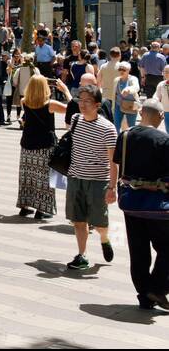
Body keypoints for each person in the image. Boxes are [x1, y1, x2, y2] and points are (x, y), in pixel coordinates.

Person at [118, 99, 169, 310]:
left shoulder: (126, 135)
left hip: (131, 203)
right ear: (159, 116)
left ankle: (145, 296)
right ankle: (156, 288)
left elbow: (119, 166)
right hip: (158, 207)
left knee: (138, 252)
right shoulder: (164, 140)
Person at [63, 85, 118, 271]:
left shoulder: (108, 129)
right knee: (78, 220)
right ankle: (82, 255)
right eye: (80, 100)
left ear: (97, 105)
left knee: (99, 223)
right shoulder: (75, 119)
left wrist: (112, 187)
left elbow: (113, 162)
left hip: (98, 181)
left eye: (87, 101)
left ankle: (104, 238)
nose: (82, 105)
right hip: (75, 177)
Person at [17, 75, 65, 221]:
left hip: (27, 144)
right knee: (44, 178)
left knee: (27, 176)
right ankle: (41, 209)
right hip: (44, 146)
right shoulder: (50, 104)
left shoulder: (24, 101)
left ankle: (24, 207)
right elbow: (71, 109)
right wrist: (66, 91)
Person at [113, 62, 141, 133]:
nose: (121, 71)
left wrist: (128, 89)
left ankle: (131, 142)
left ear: (129, 70)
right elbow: (114, 94)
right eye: (120, 69)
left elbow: (136, 87)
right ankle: (117, 141)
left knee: (131, 127)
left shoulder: (133, 79)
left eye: (124, 69)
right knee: (116, 126)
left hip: (131, 106)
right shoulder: (116, 80)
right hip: (118, 105)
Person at [10, 53, 35, 124]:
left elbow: (14, 79)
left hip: (21, 91)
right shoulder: (34, 69)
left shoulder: (20, 69)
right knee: (29, 107)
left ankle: (19, 117)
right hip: (31, 92)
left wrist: (16, 84)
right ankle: (25, 120)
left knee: (20, 105)